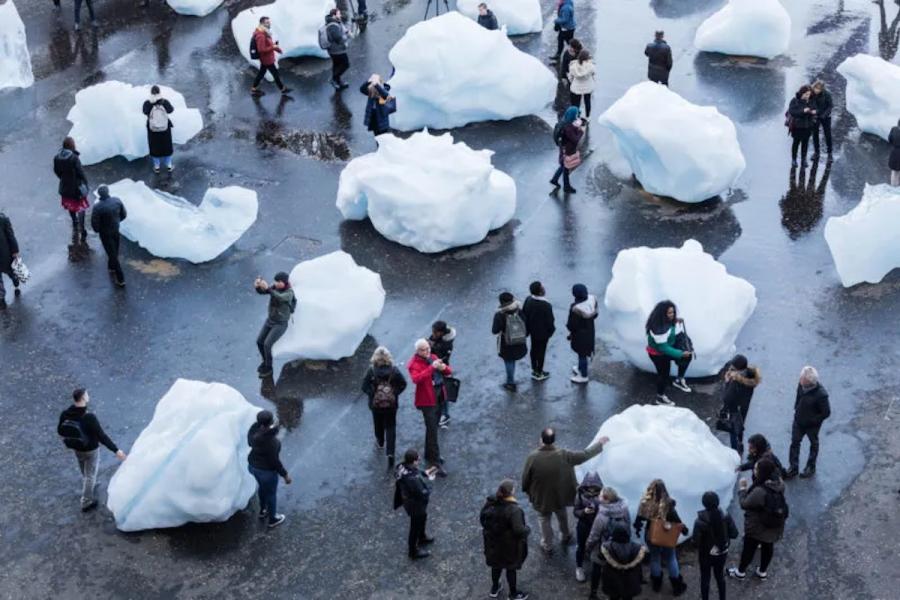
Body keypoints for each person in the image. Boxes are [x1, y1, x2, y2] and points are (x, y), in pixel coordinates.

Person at [521, 427, 608, 553]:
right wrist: (600, 443)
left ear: (541, 440)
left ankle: (547, 544)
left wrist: (527, 490)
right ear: (554, 440)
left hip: (541, 498)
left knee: (544, 519)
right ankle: (565, 535)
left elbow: (525, 478)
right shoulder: (564, 455)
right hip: (560, 496)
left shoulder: (532, 457)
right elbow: (585, 455)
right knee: (561, 514)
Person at [57, 389, 127, 512]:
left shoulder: (65, 414)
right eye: (87, 394)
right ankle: (86, 501)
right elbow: (102, 436)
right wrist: (116, 450)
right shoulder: (89, 417)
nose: (88, 396)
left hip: (76, 447)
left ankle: (88, 485)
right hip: (90, 449)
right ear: (83, 398)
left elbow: (60, 430)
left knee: (84, 469)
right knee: (90, 474)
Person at [728, 459, 786, 581]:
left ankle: (740, 572)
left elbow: (745, 504)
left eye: (756, 469)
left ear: (762, 472)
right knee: (768, 547)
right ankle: (762, 572)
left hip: (758, 526)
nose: (754, 472)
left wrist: (743, 489)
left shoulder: (760, 491)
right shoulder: (780, 483)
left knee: (749, 549)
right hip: (775, 523)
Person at [634, 479, 689, 596]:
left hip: (651, 535)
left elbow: (638, 520)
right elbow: (676, 520)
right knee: (671, 558)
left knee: (654, 558)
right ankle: (677, 586)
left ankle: (656, 584)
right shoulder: (668, 504)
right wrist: (684, 530)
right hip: (666, 535)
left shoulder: (645, 503)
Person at [480, 479, 531, 600]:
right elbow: (519, 530)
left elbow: (482, 519)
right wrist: (527, 530)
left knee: (496, 566)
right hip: (508, 546)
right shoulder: (514, 510)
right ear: (511, 492)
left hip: (492, 543)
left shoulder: (490, 502)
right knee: (510, 568)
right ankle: (513, 594)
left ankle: (495, 588)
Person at [407, 339, 452, 476]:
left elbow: (449, 371)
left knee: (432, 429)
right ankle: (435, 463)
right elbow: (417, 379)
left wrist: (443, 368)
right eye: (423, 349)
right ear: (417, 351)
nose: (427, 352)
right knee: (433, 431)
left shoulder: (433, 357)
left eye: (428, 348)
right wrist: (432, 368)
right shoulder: (413, 364)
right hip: (427, 402)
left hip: (439, 397)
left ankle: (429, 454)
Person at [361, 346, 407, 468]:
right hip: (391, 405)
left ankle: (380, 442)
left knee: (378, 423)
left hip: (375, 405)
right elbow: (403, 384)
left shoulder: (371, 371)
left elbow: (364, 387)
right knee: (391, 426)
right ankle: (390, 452)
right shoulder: (394, 370)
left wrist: (373, 394)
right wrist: (393, 393)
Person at [247, 410, 291, 528]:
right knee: (271, 493)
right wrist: (285, 475)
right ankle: (273, 519)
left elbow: (250, 443)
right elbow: (275, 462)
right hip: (266, 472)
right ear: (270, 423)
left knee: (262, 488)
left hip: (252, 466)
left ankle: (263, 510)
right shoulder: (272, 443)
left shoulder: (252, 432)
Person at [585, 486, 631, 599]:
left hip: (603, 549)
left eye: (600, 495)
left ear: (606, 499)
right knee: (614, 573)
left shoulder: (602, 516)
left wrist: (588, 548)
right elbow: (628, 529)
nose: (598, 496)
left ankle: (593, 593)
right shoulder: (624, 510)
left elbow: (594, 536)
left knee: (596, 568)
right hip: (619, 548)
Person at [785, 365, 831, 479]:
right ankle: (793, 468)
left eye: (802, 379)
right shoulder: (801, 385)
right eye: (801, 378)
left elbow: (826, 412)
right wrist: (796, 408)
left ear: (809, 382)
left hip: (812, 425)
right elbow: (798, 397)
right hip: (799, 421)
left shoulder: (821, 395)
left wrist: (813, 421)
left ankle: (811, 466)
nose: (800, 380)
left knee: (813, 444)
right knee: (795, 443)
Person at [692, 491, 738, 600]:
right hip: (722, 552)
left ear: (704, 504)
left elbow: (696, 542)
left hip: (705, 555)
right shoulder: (726, 516)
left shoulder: (699, 521)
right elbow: (734, 534)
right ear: (717, 502)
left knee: (705, 579)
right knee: (720, 577)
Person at [645, 300, 692, 405]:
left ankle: (679, 380)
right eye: (670, 313)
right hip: (658, 354)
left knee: (687, 357)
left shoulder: (665, 321)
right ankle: (660, 397)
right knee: (663, 375)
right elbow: (663, 348)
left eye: (673, 312)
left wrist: (675, 320)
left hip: (667, 348)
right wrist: (680, 353)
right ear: (662, 314)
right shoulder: (658, 328)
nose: (672, 315)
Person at [393, 448, 436, 559]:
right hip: (414, 505)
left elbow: (415, 471)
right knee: (415, 526)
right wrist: (430, 483)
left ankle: (421, 536)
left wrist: (425, 472)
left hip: (408, 501)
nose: (419, 460)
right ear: (413, 461)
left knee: (423, 517)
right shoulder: (412, 479)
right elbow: (422, 492)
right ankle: (413, 551)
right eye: (417, 459)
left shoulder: (402, 467)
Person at [254, 272, 297, 378]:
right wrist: (258, 287)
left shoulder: (289, 292)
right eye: (275, 281)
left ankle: (269, 368)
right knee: (259, 341)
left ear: (284, 282)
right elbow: (264, 292)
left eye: (278, 281)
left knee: (267, 344)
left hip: (280, 324)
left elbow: (280, 297)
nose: (276, 283)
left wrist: (268, 288)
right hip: (270, 320)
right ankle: (265, 362)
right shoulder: (275, 288)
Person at [720, 354, 762, 455]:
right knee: (740, 427)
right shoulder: (750, 376)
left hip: (734, 408)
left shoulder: (736, 381)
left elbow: (726, 398)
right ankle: (740, 445)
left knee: (733, 430)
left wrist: (727, 382)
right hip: (743, 407)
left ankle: (735, 452)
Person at [54, 137, 90, 242]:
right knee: (81, 208)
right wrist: (85, 183)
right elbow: (80, 173)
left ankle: (74, 221)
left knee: (70, 206)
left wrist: (63, 179)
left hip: (65, 187)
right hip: (76, 188)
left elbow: (57, 172)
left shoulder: (57, 157)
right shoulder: (74, 158)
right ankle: (82, 228)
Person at [90, 186, 127, 287]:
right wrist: (116, 222)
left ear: (99, 195)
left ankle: (121, 278)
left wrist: (99, 229)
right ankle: (111, 267)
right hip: (115, 230)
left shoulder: (98, 207)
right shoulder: (117, 201)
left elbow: (95, 224)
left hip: (105, 233)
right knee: (115, 249)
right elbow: (124, 215)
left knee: (112, 254)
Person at [599, 525, 647, 600]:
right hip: (630, 581)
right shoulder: (636, 548)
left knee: (613, 597)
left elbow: (600, 557)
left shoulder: (607, 547)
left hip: (612, 580)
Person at [492, 292, 528, 391]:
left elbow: (494, 330)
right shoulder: (519, 310)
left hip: (506, 343)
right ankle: (510, 380)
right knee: (513, 359)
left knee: (509, 361)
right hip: (520, 339)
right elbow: (525, 322)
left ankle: (510, 382)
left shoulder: (500, 314)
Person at [573, 472, 603, 583]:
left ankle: (596, 566)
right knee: (581, 546)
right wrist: (584, 512)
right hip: (583, 525)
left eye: (594, 486)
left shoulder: (602, 494)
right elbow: (575, 512)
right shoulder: (580, 494)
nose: (592, 489)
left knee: (597, 546)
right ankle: (579, 567)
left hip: (597, 525)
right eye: (590, 486)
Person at [522, 281, 555, 381]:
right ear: (540, 292)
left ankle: (534, 368)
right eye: (542, 287)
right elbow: (550, 320)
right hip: (543, 333)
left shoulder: (528, 299)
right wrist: (551, 331)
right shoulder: (546, 305)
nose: (544, 288)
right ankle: (539, 372)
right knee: (541, 351)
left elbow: (524, 314)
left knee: (534, 349)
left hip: (532, 331)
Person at [250, 17, 291, 97]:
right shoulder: (261, 35)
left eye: (269, 22)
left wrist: (275, 48)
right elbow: (261, 49)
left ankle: (254, 89)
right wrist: (273, 47)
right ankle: (283, 89)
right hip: (266, 59)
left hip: (266, 58)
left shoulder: (264, 32)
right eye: (267, 22)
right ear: (262, 24)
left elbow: (268, 44)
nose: (269, 24)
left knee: (261, 73)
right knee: (275, 74)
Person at [566, 283, 597, 384]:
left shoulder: (576, 308)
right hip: (590, 332)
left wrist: (570, 331)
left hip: (580, 335)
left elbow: (572, 325)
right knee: (583, 353)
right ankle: (580, 368)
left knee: (582, 355)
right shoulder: (592, 300)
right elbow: (595, 315)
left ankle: (583, 375)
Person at [550, 106, 585, 194]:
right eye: (576, 115)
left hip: (563, 147)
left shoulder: (565, 121)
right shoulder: (568, 127)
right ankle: (566, 187)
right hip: (568, 149)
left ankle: (555, 180)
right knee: (566, 167)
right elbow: (575, 139)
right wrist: (581, 131)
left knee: (564, 165)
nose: (577, 116)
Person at [142, 86, 175, 174]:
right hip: (165, 129)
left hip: (152, 130)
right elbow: (171, 110)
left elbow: (144, 111)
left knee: (155, 147)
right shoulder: (164, 102)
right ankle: (169, 166)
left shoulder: (147, 103)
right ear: (159, 92)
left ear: (151, 93)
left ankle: (157, 167)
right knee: (166, 147)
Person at [428, 320, 456, 427]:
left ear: (441, 332)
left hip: (441, 368)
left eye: (435, 332)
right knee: (437, 392)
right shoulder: (437, 337)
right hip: (434, 368)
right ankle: (440, 412)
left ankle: (445, 414)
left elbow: (442, 358)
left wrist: (432, 346)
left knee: (443, 392)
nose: (433, 334)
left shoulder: (447, 344)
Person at [788, 85, 817, 168]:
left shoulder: (811, 101)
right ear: (802, 93)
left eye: (809, 94)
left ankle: (803, 159)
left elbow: (815, 109)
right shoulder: (795, 100)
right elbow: (792, 111)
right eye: (806, 94)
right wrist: (803, 111)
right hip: (797, 126)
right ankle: (794, 160)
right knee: (796, 143)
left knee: (805, 143)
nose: (808, 96)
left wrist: (814, 111)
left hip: (808, 126)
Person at [325, 9, 350, 90]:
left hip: (334, 50)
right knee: (345, 64)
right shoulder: (332, 25)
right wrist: (346, 37)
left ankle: (338, 82)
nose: (340, 15)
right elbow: (338, 38)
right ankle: (333, 78)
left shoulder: (335, 22)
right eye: (338, 14)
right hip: (337, 50)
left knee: (337, 65)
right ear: (334, 15)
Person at [0, 211, 20, 308]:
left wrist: (15, 251)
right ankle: (1, 298)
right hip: (5, 254)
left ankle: (14, 278)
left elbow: (10, 236)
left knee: (9, 270)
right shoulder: (3, 219)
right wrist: (15, 251)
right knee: (8, 270)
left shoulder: (2, 219)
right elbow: (11, 236)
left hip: (4, 254)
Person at [567, 49, 595, 119]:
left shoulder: (573, 66)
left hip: (576, 87)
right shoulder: (591, 66)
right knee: (587, 102)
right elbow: (594, 74)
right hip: (588, 87)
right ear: (587, 57)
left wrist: (572, 82)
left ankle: (576, 117)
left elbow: (570, 77)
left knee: (576, 103)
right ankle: (587, 117)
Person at [810, 80, 833, 161]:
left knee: (828, 134)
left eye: (819, 89)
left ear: (822, 89)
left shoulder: (827, 94)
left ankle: (830, 153)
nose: (817, 90)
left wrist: (824, 115)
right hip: (815, 116)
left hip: (825, 116)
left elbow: (830, 106)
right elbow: (809, 103)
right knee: (815, 134)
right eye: (816, 88)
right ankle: (816, 152)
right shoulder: (811, 94)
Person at [888, 118, 900, 186]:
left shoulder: (894, 129)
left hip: (895, 152)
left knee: (894, 171)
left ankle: (893, 186)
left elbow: (890, 139)